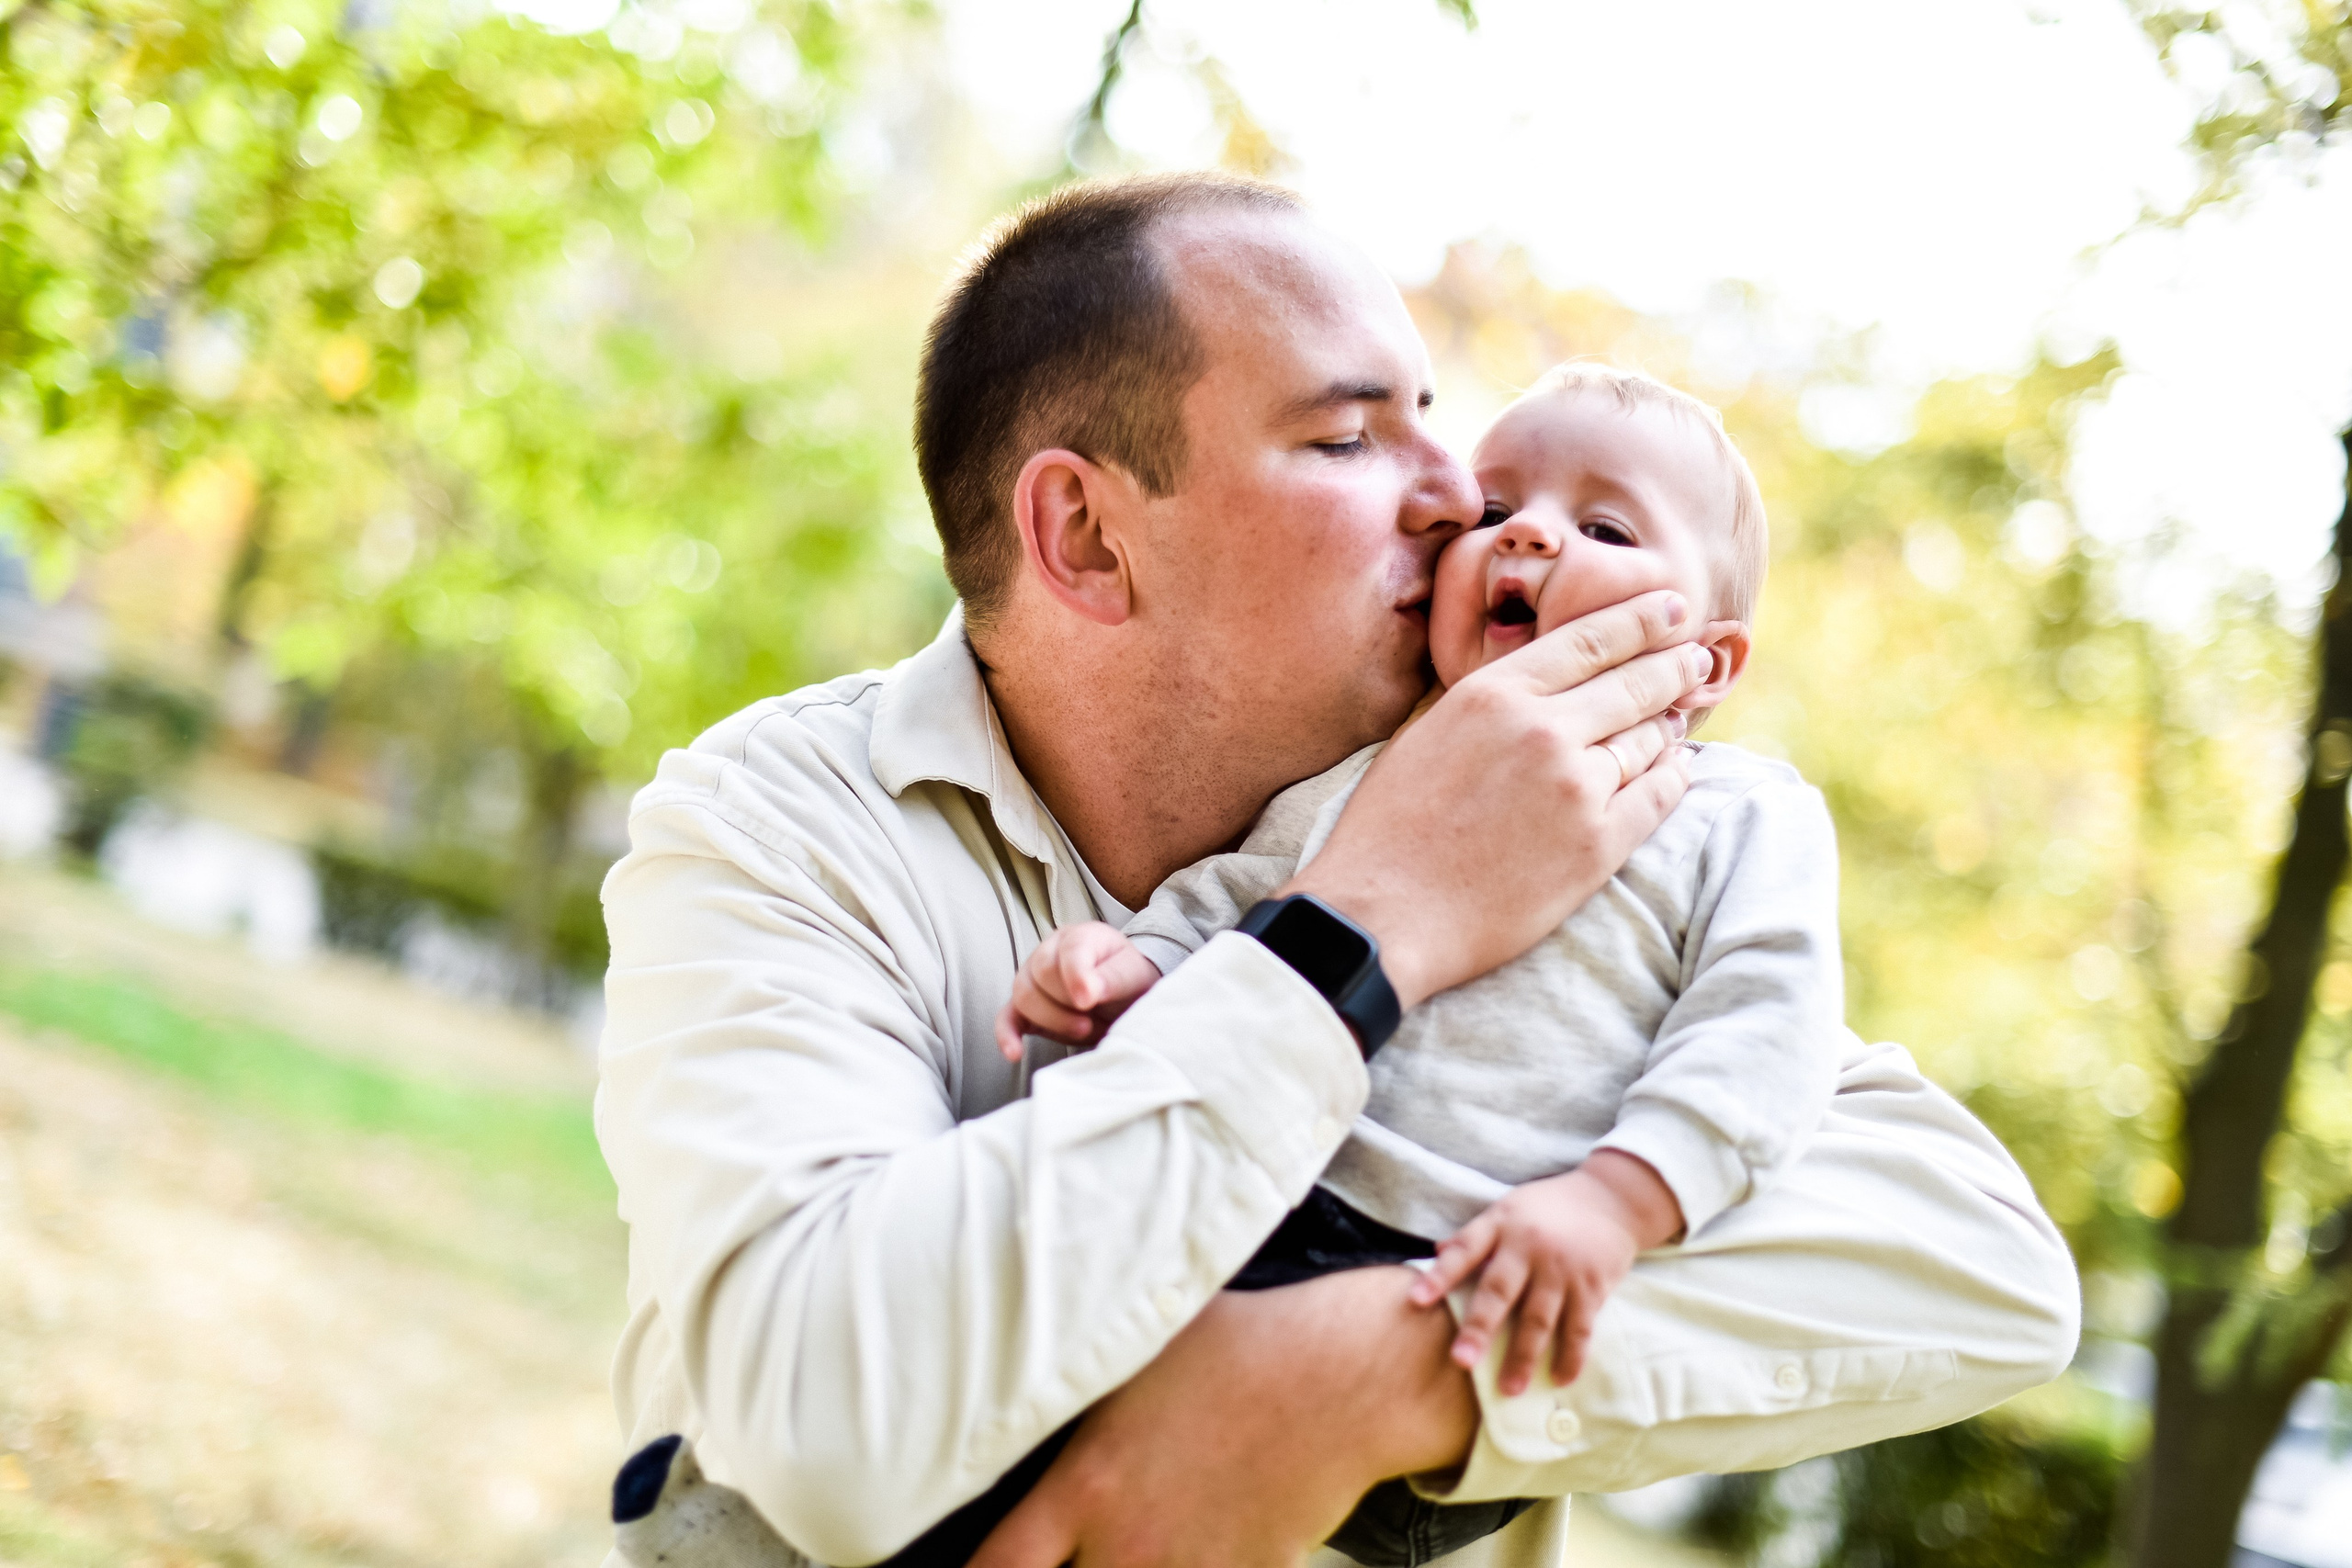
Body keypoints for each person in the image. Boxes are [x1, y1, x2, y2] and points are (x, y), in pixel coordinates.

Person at [594, 171, 2079, 1568]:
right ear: (1086, 535)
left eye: (1431, 420)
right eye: (1350, 438)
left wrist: (1370, 1378)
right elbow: (824, 1414)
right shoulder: (779, 824)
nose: (1458, 500)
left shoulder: (1614, 830)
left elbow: (1985, 1257)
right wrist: (1367, 923)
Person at [976, 361, 1838, 1562]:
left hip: (1460, 1280)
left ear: (1711, 658)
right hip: (1244, 1207)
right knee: (1025, 1441)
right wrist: (1139, 968)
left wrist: (1617, 1201)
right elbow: (1243, 907)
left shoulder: (1735, 816)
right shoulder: (1375, 768)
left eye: (1603, 529)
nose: (1523, 533)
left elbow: (1765, 1034)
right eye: (1498, 509)